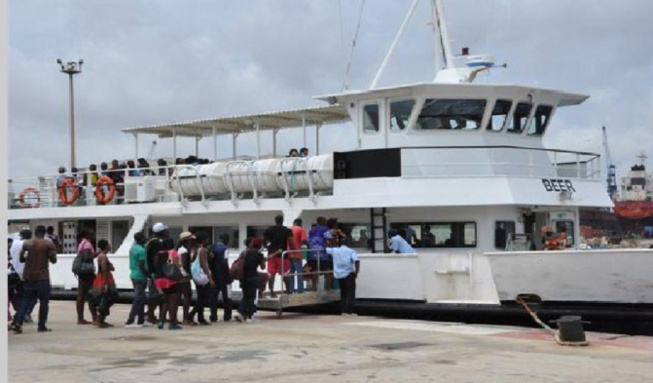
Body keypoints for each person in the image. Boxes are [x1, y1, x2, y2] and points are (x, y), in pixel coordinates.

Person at [10, 225, 57, 333]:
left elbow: (22, 259)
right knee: (44, 302)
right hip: (42, 277)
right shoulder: (48, 244)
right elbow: (53, 260)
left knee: (25, 300)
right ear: (44, 233)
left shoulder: (27, 243)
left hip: (29, 276)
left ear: (35, 232)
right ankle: (41, 326)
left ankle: (18, 322)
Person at [326, 232, 360, 316]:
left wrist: (331, 241)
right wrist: (357, 272)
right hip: (349, 273)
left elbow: (326, 249)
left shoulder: (335, 250)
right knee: (351, 293)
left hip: (339, 274)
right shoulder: (351, 251)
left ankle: (343, 311)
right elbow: (357, 260)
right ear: (348, 243)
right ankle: (350, 311)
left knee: (343, 292)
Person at [235, 237, 267, 323]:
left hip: (244, 277)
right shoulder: (260, 255)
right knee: (252, 297)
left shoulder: (246, 253)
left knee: (245, 296)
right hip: (253, 277)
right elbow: (263, 267)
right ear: (260, 246)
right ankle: (250, 316)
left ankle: (241, 314)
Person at [154, 237, 182, 330]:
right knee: (173, 302)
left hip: (160, 280)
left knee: (165, 301)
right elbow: (176, 265)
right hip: (170, 279)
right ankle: (172, 323)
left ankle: (161, 322)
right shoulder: (172, 253)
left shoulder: (158, 254)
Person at [188, 230, 214, 325]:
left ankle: (200, 317)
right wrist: (210, 279)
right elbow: (204, 265)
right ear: (203, 240)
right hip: (202, 276)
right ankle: (192, 314)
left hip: (196, 276)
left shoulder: (192, 249)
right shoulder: (202, 250)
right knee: (204, 298)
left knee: (200, 296)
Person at [264, 214, 294, 297]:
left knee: (271, 274)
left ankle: (271, 292)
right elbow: (290, 242)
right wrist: (294, 251)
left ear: (275, 220)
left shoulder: (268, 230)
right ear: (282, 220)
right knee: (285, 274)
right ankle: (288, 291)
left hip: (271, 254)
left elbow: (265, 242)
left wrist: (269, 247)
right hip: (282, 255)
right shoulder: (287, 230)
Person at [145, 222, 169, 324]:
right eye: (165, 231)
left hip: (152, 272)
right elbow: (156, 258)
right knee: (157, 296)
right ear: (161, 232)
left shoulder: (149, 242)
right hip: (156, 272)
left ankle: (157, 315)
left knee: (156, 295)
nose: (167, 232)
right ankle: (151, 315)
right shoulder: (157, 243)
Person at [125, 231, 149, 328]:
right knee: (138, 299)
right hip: (140, 276)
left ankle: (141, 320)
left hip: (134, 274)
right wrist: (148, 275)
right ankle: (130, 320)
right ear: (142, 239)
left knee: (141, 298)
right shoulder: (141, 251)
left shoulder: (132, 248)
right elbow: (141, 266)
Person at [92, 239, 117, 328]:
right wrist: (105, 283)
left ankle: (101, 319)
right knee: (108, 297)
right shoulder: (103, 257)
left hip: (102, 278)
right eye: (108, 245)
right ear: (106, 246)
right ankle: (100, 319)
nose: (110, 246)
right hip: (105, 279)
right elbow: (104, 269)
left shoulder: (101, 256)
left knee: (107, 298)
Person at [75, 230, 98, 325]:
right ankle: (95, 317)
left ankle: (80, 318)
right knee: (90, 294)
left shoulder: (81, 243)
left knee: (81, 294)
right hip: (87, 272)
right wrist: (97, 254)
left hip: (82, 272)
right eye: (91, 233)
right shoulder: (87, 244)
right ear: (87, 235)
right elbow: (86, 258)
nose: (93, 235)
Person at [209, 233, 233, 323]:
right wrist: (228, 275)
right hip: (223, 276)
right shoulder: (225, 249)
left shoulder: (213, 247)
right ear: (226, 240)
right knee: (226, 296)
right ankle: (227, 316)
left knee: (213, 297)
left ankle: (213, 316)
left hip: (213, 275)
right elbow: (224, 262)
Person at [177, 231, 197, 326]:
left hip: (178, 275)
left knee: (177, 297)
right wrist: (191, 274)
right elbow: (185, 264)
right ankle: (185, 318)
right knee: (187, 296)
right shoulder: (184, 251)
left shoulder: (178, 249)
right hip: (184, 276)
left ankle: (174, 317)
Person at [307, 216, 331, 291]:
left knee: (314, 271)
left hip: (312, 254)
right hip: (323, 254)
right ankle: (327, 289)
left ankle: (314, 289)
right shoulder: (326, 229)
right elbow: (329, 239)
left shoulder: (311, 230)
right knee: (327, 271)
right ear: (323, 221)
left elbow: (308, 241)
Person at [289, 218, 307, 293]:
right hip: (297, 253)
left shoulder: (289, 229)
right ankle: (300, 290)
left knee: (291, 273)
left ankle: (291, 290)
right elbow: (304, 240)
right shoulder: (301, 229)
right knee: (299, 273)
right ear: (300, 223)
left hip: (287, 253)